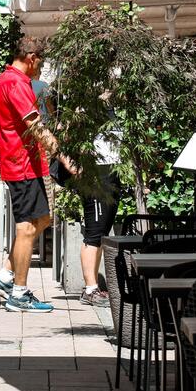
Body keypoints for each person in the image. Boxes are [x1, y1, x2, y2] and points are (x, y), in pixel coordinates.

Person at [0, 36, 59, 313]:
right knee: (28, 227)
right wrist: (61, 154)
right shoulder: (16, 83)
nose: (39, 68)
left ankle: (5, 275)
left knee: (43, 218)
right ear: (31, 58)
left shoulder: (6, 79)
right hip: (22, 164)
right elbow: (34, 124)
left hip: (24, 162)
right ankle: (18, 292)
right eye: (40, 62)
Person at [79, 128, 125, 307]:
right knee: (94, 233)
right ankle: (90, 289)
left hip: (112, 167)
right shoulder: (87, 104)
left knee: (102, 233)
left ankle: (93, 287)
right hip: (96, 171)